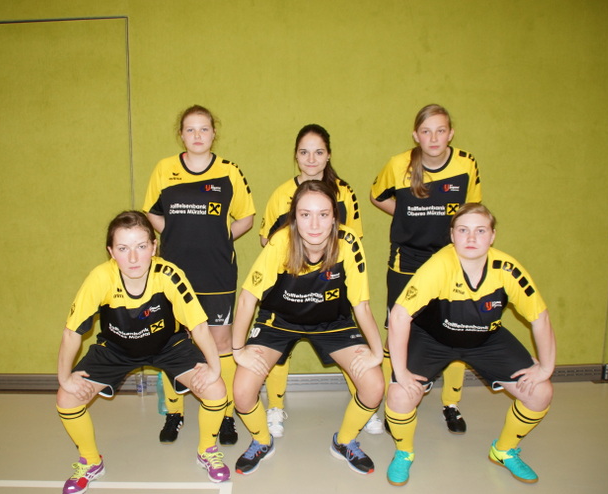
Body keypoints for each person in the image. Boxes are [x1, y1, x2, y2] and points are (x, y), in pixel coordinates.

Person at [56, 211, 231, 493]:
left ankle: (206, 451)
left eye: (141, 246)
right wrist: (64, 378)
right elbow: (72, 332)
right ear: (111, 252)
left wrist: (214, 369)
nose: (133, 258)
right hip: (116, 348)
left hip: (168, 345)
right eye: (123, 248)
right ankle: (90, 461)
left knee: (215, 388)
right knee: (66, 398)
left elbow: (198, 325)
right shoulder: (100, 278)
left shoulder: (169, 275)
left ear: (153, 247)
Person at [385, 203, 555, 486]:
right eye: (463, 230)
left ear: (493, 236)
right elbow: (400, 316)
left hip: (485, 338)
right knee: (400, 395)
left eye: (480, 231)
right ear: (452, 235)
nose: (472, 238)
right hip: (433, 338)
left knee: (541, 392)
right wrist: (400, 372)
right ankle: (404, 453)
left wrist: (546, 367)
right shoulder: (439, 266)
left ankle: (503, 450)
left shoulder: (507, 269)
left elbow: (540, 317)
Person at [231, 180, 385, 476]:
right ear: (294, 217)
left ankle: (345, 441)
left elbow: (361, 305)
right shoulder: (281, 241)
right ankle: (262, 441)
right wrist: (238, 350)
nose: (314, 224)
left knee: (374, 385)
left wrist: (376, 353)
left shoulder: (348, 241)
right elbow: (248, 297)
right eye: (305, 214)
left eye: (323, 214)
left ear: (334, 217)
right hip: (279, 321)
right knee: (242, 391)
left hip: (332, 322)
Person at [258, 124, 380, 437]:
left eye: (318, 152)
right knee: (278, 348)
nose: (311, 159)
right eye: (304, 152)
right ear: (296, 156)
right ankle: (275, 407)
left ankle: (364, 405)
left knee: (346, 345)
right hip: (289, 290)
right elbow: (266, 241)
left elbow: (352, 240)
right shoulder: (281, 194)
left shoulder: (344, 192)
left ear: (328, 156)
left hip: (330, 289)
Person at [143, 105, 255, 446]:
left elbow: (246, 218)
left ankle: (225, 414)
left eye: (203, 129)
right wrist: (174, 233)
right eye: (190, 129)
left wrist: (218, 237)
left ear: (213, 133)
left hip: (217, 272)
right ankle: (174, 412)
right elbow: (151, 212)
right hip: (174, 274)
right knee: (172, 342)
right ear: (181, 135)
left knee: (220, 344)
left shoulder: (229, 171)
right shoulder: (164, 169)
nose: (197, 135)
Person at [370, 103, 482, 434]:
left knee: (456, 329)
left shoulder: (466, 164)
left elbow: (471, 212)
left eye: (440, 130)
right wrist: (406, 214)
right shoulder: (398, 164)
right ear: (416, 135)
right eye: (426, 131)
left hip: (450, 260)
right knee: (397, 330)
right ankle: (394, 399)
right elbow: (377, 196)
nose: (433, 138)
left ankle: (451, 404)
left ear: (451, 133)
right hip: (406, 261)